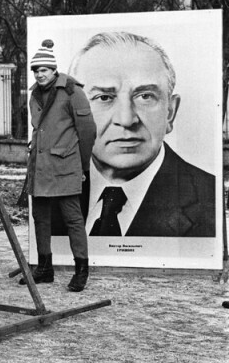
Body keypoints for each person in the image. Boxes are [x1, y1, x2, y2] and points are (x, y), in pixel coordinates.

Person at [67, 31, 215, 238]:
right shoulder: (55, 191)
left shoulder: (210, 199)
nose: (126, 120)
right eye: (103, 97)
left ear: (170, 113)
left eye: (145, 96)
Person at [22, 40, 96, 292]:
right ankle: (45, 269)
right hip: (40, 166)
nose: (39, 74)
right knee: (40, 218)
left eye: (44, 69)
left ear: (54, 69)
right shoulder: (34, 93)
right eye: (36, 70)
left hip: (66, 166)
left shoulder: (73, 91)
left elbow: (87, 132)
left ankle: (81, 271)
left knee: (73, 219)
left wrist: (82, 166)